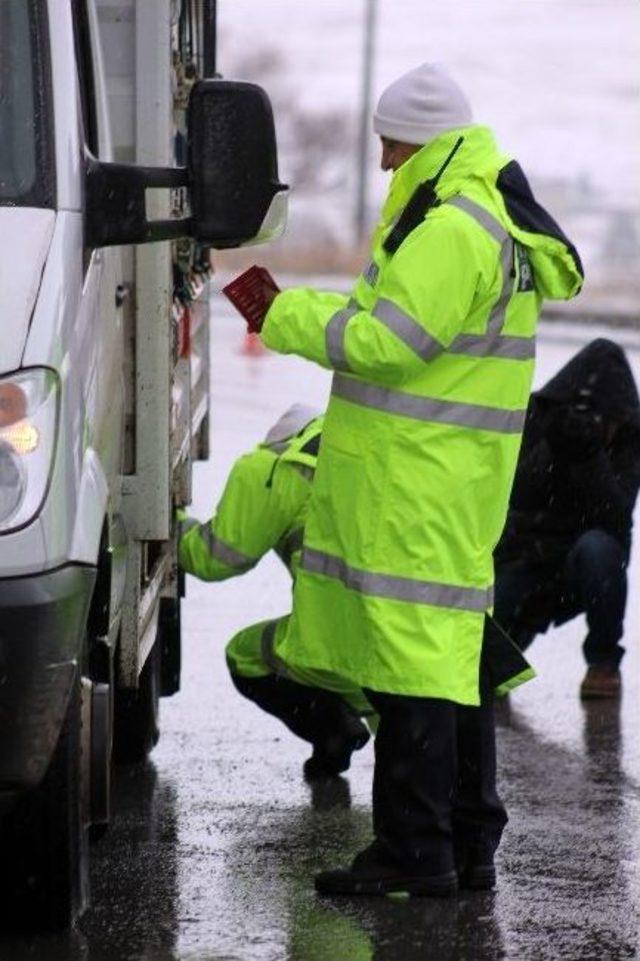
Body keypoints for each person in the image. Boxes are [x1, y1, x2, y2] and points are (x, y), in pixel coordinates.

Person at [255, 62, 583, 896]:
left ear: (426, 142)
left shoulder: (450, 230)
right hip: (453, 481)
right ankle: (468, 843)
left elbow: (383, 342)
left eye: (391, 145)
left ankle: (414, 851)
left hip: (416, 484)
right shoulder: (485, 218)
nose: (383, 164)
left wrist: (283, 314)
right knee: (452, 660)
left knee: (411, 672)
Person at [178, 404, 372, 779]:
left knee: (245, 655)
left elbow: (216, 558)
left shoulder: (277, 468)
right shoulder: (368, 453)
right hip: (415, 649)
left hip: (339, 654)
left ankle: (332, 728)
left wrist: (177, 527)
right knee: (409, 732)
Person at [489, 338, 640, 699]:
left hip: (582, 562)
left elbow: (615, 515)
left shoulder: (627, 439)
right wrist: (554, 446)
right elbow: (519, 494)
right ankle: (502, 659)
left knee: (599, 552)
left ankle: (603, 663)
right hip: (528, 552)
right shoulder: (541, 419)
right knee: (489, 661)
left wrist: (587, 456)